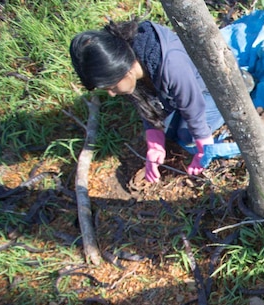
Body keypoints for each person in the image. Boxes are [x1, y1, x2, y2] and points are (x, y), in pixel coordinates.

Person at [70, 18, 226, 182]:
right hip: (177, 92)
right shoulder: (126, 58)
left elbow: (193, 110)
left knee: (186, 135)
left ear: (125, 71)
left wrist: (204, 149)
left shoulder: (172, 65)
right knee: (168, 131)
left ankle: (237, 90)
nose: (112, 94)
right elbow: (145, 101)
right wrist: (155, 143)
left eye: (112, 87)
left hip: (207, 86)